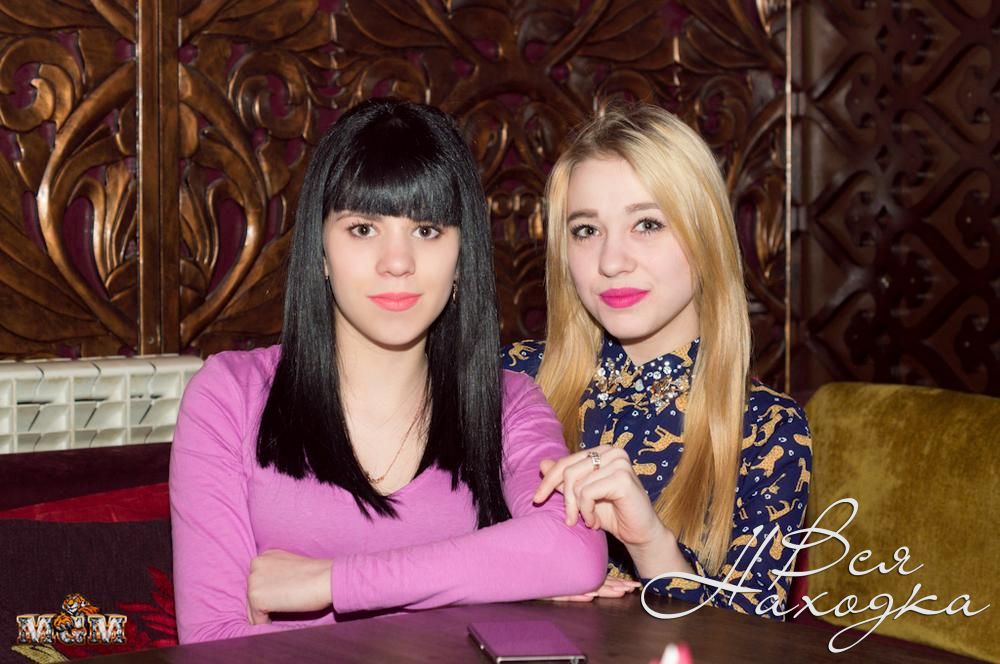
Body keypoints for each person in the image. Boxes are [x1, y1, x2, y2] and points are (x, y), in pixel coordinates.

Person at [170, 99, 607, 644]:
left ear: (461, 256)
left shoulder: (507, 403)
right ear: (321, 251)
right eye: (362, 229)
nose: (397, 262)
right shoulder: (231, 395)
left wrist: (334, 582)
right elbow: (213, 641)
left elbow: (572, 551)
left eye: (426, 230)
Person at [506, 104, 812, 618]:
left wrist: (650, 543)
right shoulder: (515, 379)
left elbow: (751, 641)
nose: (611, 261)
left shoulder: (768, 430)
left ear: (705, 236)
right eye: (586, 230)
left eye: (647, 224)